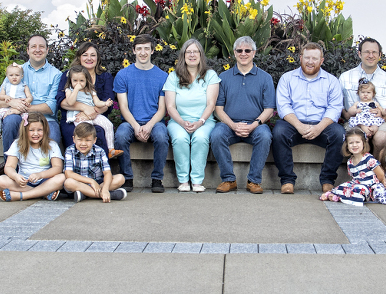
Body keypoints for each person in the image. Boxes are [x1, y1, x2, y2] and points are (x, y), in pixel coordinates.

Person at [272, 42, 345, 194]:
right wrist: (299, 126)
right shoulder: (287, 78)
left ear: (321, 61)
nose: (310, 62)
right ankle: (287, 181)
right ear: (300, 58)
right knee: (279, 132)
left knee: (339, 134)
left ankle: (327, 181)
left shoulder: (331, 81)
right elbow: (283, 106)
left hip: (322, 125)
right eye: (307, 58)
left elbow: (335, 108)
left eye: (314, 58)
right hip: (294, 125)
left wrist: (319, 128)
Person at [0, 35, 62, 179]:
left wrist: (20, 107)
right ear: (27, 50)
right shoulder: (16, 71)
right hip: (19, 117)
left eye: (41, 46)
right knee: (10, 121)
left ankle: (47, 178)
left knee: (52, 135)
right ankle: (10, 170)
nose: (37, 50)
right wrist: (11, 103)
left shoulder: (56, 74)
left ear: (47, 50)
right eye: (33, 46)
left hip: (45, 119)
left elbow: (50, 107)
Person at [210, 36, 275, 194]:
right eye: (240, 50)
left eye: (247, 50)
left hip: (255, 126)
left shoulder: (265, 78)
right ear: (234, 53)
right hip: (229, 125)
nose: (243, 53)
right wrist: (233, 125)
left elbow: (269, 109)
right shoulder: (223, 78)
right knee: (216, 134)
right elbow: (218, 108)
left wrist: (254, 124)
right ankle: (228, 179)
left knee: (265, 136)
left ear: (254, 53)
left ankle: (253, 181)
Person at [113, 35, 170, 193]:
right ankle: (127, 177)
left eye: (146, 48)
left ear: (152, 51)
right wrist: (137, 127)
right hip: (131, 122)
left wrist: (149, 125)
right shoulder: (123, 75)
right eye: (139, 48)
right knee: (121, 136)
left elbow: (162, 109)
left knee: (161, 136)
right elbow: (123, 107)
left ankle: (157, 179)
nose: (143, 52)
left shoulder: (163, 76)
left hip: (155, 121)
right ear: (133, 50)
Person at [164, 39, 220, 192]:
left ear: (201, 55)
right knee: (180, 139)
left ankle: (196, 181)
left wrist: (200, 122)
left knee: (200, 138)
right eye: (189, 52)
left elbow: (211, 104)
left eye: (196, 51)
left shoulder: (210, 75)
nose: (192, 55)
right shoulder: (173, 76)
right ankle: (183, 181)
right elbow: (170, 106)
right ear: (183, 55)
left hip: (204, 120)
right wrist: (182, 122)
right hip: (178, 121)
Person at [339, 37, 386, 153]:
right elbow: (338, 104)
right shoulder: (345, 77)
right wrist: (347, 114)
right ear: (359, 54)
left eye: (374, 52)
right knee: (358, 139)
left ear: (380, 55)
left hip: (381, 122)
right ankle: (359, 169)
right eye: (367, 52)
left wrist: (382, 116)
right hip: (356, 122)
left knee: (381, 138)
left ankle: (375, 168)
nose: (370, 55)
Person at [56, 42, 115, 153]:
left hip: (97, 117)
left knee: (99, 132)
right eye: (85, 55)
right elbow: (61, 101)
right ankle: (76, 169)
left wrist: (91, 113)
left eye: (93, 55)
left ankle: (100, 169)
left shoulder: (105, 77)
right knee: (76, 134)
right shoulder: (68, 75)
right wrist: (84, 108)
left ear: (97, 58)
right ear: (79, 57)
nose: (89, 58)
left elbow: (108, 102)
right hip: (72, 119)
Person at [0, 112, 65, 201]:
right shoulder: (17, 144)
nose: (35, 134)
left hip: (44, 180)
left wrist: (40, 175)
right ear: (25, 131)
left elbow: (58, 167)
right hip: (24, 183)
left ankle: (21, 196)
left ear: (45, 130)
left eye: (39, 130)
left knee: (62, 178)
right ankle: (43, 193)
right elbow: (9, 167)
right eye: (31, 130)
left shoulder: (52, 145)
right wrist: (15, 176)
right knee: (1, 180)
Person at [62, 65, 122, 159]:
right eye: (75, 81)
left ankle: (111, 149)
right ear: (70, 81)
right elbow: (70, 102)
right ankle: (88, 155)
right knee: (88, 131)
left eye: (81, 81)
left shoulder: (90, 90)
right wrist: (76, 89)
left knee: (108, 124)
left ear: (86, 80)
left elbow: (97, 102)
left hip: (92, 114)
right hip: (78, 116)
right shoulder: (69, 90)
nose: (78, 83)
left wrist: (105, 103)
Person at [319, 127, 385, 207]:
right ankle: (332, 194)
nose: (354, 145)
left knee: (359, 190)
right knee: (343, 186)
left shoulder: (368, 159)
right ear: (347, 145)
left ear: (363, 143)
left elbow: (380, 175)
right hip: (356, 184)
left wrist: (383, 183)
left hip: (369, 186)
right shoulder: (350, 161)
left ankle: (339, 197)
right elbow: (354, 178)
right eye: (351, 143)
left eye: (357, 142)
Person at [63, 122, 126, 202]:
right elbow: (69, 174)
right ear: (74, 139)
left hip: (98, 182)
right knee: (68, 182)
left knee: (120, 178)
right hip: (79, 183)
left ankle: (85, 194)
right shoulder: (70, 150)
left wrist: (105, 188)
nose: (83, 144)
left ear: (94, 140)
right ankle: (108, 195)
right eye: (79, 140)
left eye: (88, 140)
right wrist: (91, 181)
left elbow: (107, 173)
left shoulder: (100, 151)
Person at [0, 62, 33, 139]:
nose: (14, 77)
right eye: (11, 75)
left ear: (22, 76)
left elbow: (30, 97)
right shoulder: (5, 85)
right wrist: (5, 97)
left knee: (26, 117)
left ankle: (25, 132)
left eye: (17, 75)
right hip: (7, 108)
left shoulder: (24, 86)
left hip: (20, 108)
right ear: (7, 76)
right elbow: (1, 96)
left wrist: (26, 101)